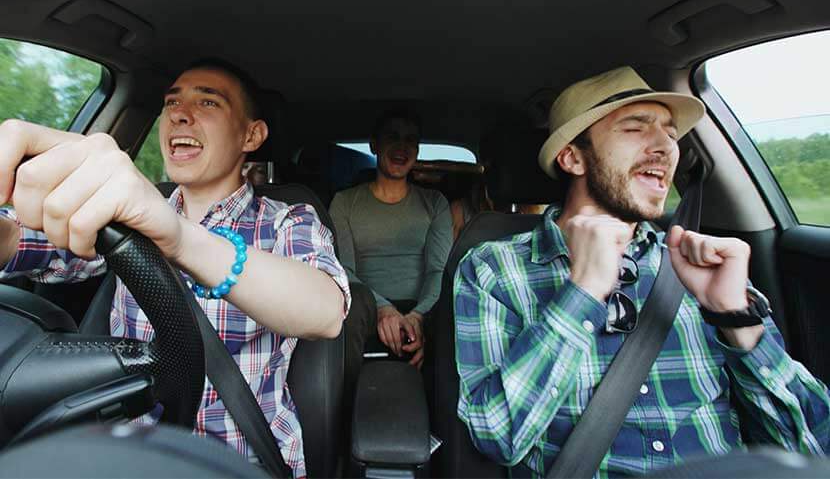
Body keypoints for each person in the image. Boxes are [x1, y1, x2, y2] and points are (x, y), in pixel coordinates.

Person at [454, 66, 830, 477]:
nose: (667, 148)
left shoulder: (700, 267)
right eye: (636, 128)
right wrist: (581, 294)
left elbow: (812, 447)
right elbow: (496, 435)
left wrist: (736, 319)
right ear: (572, 157)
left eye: (670, 134)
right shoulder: (494, 267)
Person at [0, 59, 350, 478]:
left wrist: (179, 237)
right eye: (171, 103)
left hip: (240, 463)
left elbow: (325, 311)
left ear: (251, 135)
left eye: (208, 102)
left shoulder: (288, 221)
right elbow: (22, 240)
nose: (180, 114)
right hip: (130, 455)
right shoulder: (126, 210)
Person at [331, 109, 452, 373]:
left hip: (425, 307)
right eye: (393, 137)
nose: (402, 147)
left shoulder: (435, 203)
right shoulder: (344, 202)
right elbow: (343, 271)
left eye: (411, 140)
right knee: (341, 310)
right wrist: (383, 308)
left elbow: (438, 270)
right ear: (375, 144)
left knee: (455, 310)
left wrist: (418, 317)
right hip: (364, 305)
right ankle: (340, 406)